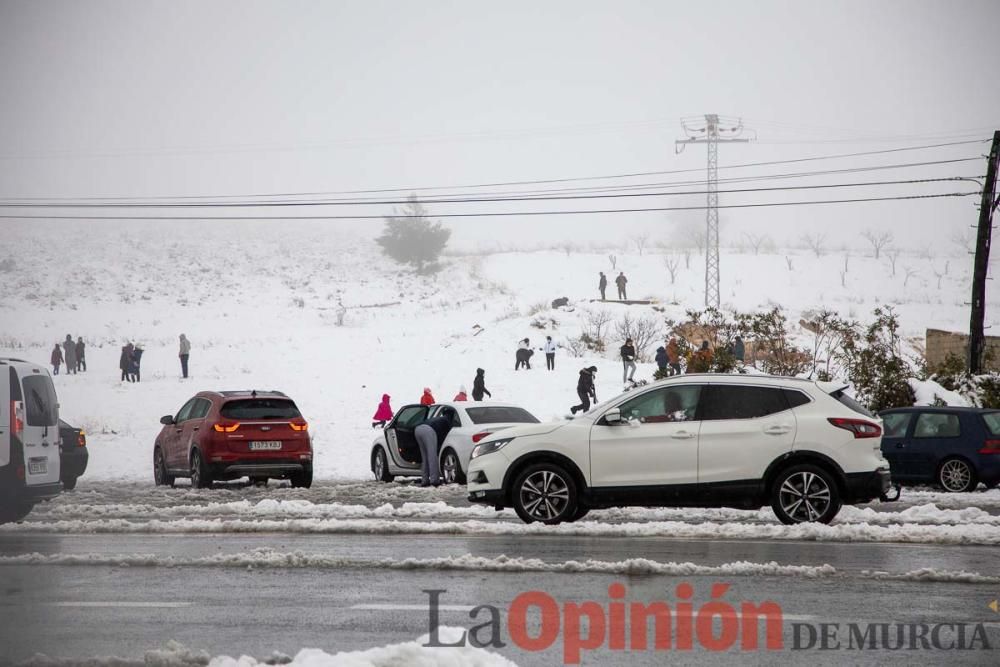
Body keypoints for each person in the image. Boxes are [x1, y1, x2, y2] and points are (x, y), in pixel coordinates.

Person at [414, 414, 452, 487]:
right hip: (428, 431)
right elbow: (445, 434)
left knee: (424, 457)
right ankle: (434, 480)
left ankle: (425, 480)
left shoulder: (438, 419)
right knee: (432, 456)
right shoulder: (447, 421)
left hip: (418, 429)